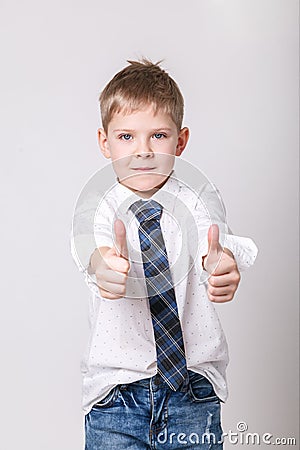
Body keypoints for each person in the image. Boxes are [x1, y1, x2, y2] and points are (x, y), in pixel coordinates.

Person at [71, 58, 258, 449]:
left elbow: (216, 239)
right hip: (116, 397)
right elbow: (89, 245)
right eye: (126, 137)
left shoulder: (198, 197)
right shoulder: (98, 205)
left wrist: (220, 264)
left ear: (181, 140)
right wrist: (103, 265)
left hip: (193, 393)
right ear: (104, 142)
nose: (142, 152)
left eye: (158, 136)